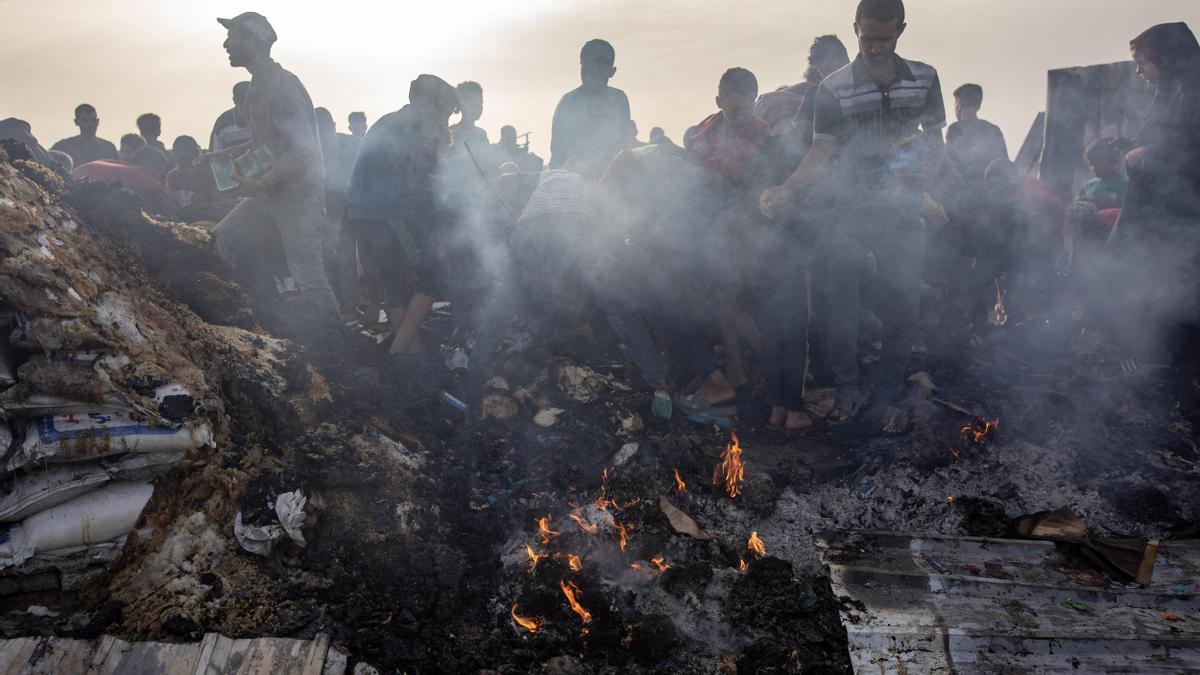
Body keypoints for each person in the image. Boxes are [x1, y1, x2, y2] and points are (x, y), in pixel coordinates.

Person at [761, 0, 947, 432]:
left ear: (901, 29)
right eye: (867, 39)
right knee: (839, 304)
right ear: (855, 29)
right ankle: (848, 391)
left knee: (904, 304)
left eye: (884, 38)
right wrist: (786, 189)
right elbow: (820, 150)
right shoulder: (833, 87)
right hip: (845, 210)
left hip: (900, 209)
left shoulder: (925, 78)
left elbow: (936, 140)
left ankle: (886, 394)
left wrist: (926, 177)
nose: (876, 48)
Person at [208, 11, 339, 317]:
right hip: (271, 191)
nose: (226, 44)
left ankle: (343, 346)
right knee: (218, 243)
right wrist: (224, 156)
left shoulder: (282, 86)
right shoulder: (258, 85)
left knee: (309, 277)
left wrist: (261, 182)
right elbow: (269, 144)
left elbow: (301, 150)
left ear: (252, 40)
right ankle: (261, 312)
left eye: (232, 36)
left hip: (298, 195)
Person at [1103, 22, 1200, 369]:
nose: (1139, 72)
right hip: (1157, 216)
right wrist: (1133, 147)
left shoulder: (1194, 95)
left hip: (1183, 221)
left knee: (1179, 290)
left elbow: (1188, 151)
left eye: (1143, 62)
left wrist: (1144, 155)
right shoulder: (1170, 95)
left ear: (1167, 58)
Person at [345, 74, 459, 354]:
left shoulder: (386, 121)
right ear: (430, 104)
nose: (445, 121)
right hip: (390, 213)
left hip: (360, 215)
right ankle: (397, 354)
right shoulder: (418, 127)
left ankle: (413, 357)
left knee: (393, 282)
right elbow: (429, 182)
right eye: (445, 112)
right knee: (435, 275)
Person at [549, 39, 631, 170]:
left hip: (610, 178)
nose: (590, 76)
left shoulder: (618, 100)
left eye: (596, 71)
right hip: (570, 177)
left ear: (612, 72)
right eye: (586, 69)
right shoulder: (569, 102)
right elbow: (558, 154)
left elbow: (622, 146)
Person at [315, 106, 363, 314]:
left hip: (351, 208)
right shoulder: (313, 151)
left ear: (334, 126)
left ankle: (351, 306)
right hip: (324, 210)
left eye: (328, 130)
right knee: (326, 257)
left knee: (346, 257)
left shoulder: (353, 144)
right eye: (320, 132)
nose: (326, 137)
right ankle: (335, 306)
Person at [755, 35, 851, 136]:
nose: (826, 79)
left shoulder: (864, 84)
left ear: (840, 60)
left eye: (828, 70)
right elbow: (799, 131)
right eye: (822, 73)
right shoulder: (815, 94)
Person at [72, 152, 179, 213]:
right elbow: (171, 208)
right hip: (84, 200)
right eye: (157, 170)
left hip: (70, 188)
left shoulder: (118, 165)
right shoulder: (141, 175)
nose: (158, 176)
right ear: (150, 166)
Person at [946, 84, 1008, 184]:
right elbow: (1004, 162)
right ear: (978, 105)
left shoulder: (955, 129)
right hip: (991, 188)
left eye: (955, 104)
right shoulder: (993, 130)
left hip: (963, 188)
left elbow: (948, 162)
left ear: (959, 105)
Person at [52, 104, 118, 167]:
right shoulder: (63, 147)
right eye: (85, 120)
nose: (90, 124)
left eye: (94, 120)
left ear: (98, 121)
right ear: (76, 122)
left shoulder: (109, 148)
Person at [209, 82, 253, 151]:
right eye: (242, 101)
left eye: (251, 101)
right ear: (235, 101)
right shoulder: (223, 123)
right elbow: (214, 156)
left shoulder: (267, 116)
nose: (247, 106)